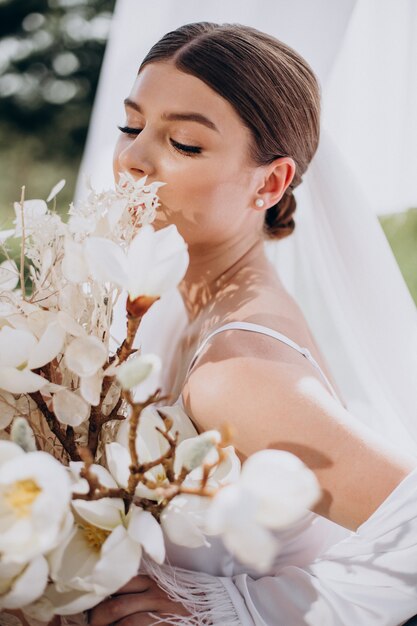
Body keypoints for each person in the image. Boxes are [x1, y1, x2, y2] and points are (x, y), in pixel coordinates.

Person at [88, 22, 417, 626]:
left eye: (184, 143)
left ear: (270, 183)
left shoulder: (235, 371)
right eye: (131, 127)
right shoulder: (164, 296)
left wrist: (242, 607)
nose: (132, 160)